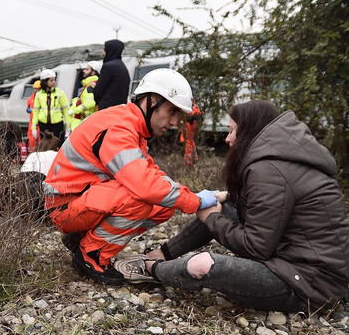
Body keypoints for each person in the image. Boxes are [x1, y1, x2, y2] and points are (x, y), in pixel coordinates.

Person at [115, 100, 349, 314]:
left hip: (308, 287)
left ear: (249, 131)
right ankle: (163, 254)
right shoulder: (283, 160)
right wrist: (225, 198)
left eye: (231, 131)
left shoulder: (269, 169)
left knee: (203, 264)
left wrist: (212, 220)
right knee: (222, 207)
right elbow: (278, 203)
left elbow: (256, 247)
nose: (227, 139)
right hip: (304, 265)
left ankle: (153, 269)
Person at [43, 68, 221, 285]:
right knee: (141, 198)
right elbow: (145, 185)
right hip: (65, 207)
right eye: (172, 111)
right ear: (152, 100)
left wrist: (187, 195)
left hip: (77, 200)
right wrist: (197, 201)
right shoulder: (120, 128)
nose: (175, 123)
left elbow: (151, 174)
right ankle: (91, 255)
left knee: (164, 205)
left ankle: (83, 238)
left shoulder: (131, 126)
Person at [30, 69, 70, 143]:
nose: (54, 82)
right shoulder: (39, 94)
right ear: (45, 82)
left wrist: (68, 127)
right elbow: (35, 112)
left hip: (57, 124)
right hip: (43, 124)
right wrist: (34, 128)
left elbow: (66, 110)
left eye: (54, 80)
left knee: (57, 145)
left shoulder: (60, 93)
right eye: (51, 80)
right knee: (45, 146)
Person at [92, 39, 130, 110]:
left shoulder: (108, 67)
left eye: (104, 49)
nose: (102, 53)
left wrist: (97, 101)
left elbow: (99, 90)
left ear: (110, 50)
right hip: (120, 108)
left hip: (108, 109)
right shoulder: (122, 66)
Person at [66, 60, 100, 134]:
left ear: (93, 72)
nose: (84, 71)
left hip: (86, 123)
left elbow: (91, 102)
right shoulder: (89, 85)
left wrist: (74, 110)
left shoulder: (90, 86)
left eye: (87, 69)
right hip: (85, 123)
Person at [179, 99, 203, 166]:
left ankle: (189, 163)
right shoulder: (193, 124)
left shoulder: (187, 124)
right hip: (189, 137)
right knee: (190, 148)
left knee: (189, 149)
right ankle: (190, 162)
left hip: (188, 137)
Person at [25, 80, 41, 153]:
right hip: (32, 121)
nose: (36, 90)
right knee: (31, 137)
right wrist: (28, 109)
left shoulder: (42, 97)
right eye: (35, 88)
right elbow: (28, 106)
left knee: (40, 137)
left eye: (38, 88)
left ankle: (41, 151)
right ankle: (32, 152)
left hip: (40, 121)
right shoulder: (31, 98)